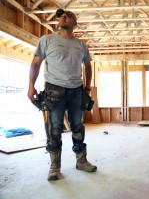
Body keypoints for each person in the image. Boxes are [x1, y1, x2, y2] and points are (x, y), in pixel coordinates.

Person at [27, 9, 97, 181]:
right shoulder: (47, 40)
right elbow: (35, 64)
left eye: (68, 15)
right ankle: (55, 166)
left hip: (76, 90)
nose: (63, 16)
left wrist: (87, 88)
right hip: (54, 90)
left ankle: (81, 161)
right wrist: (31, 86)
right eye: (61, 15)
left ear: (75, 23)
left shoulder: (81, 44)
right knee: (55, 128)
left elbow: (88, 66)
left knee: (78, 127)